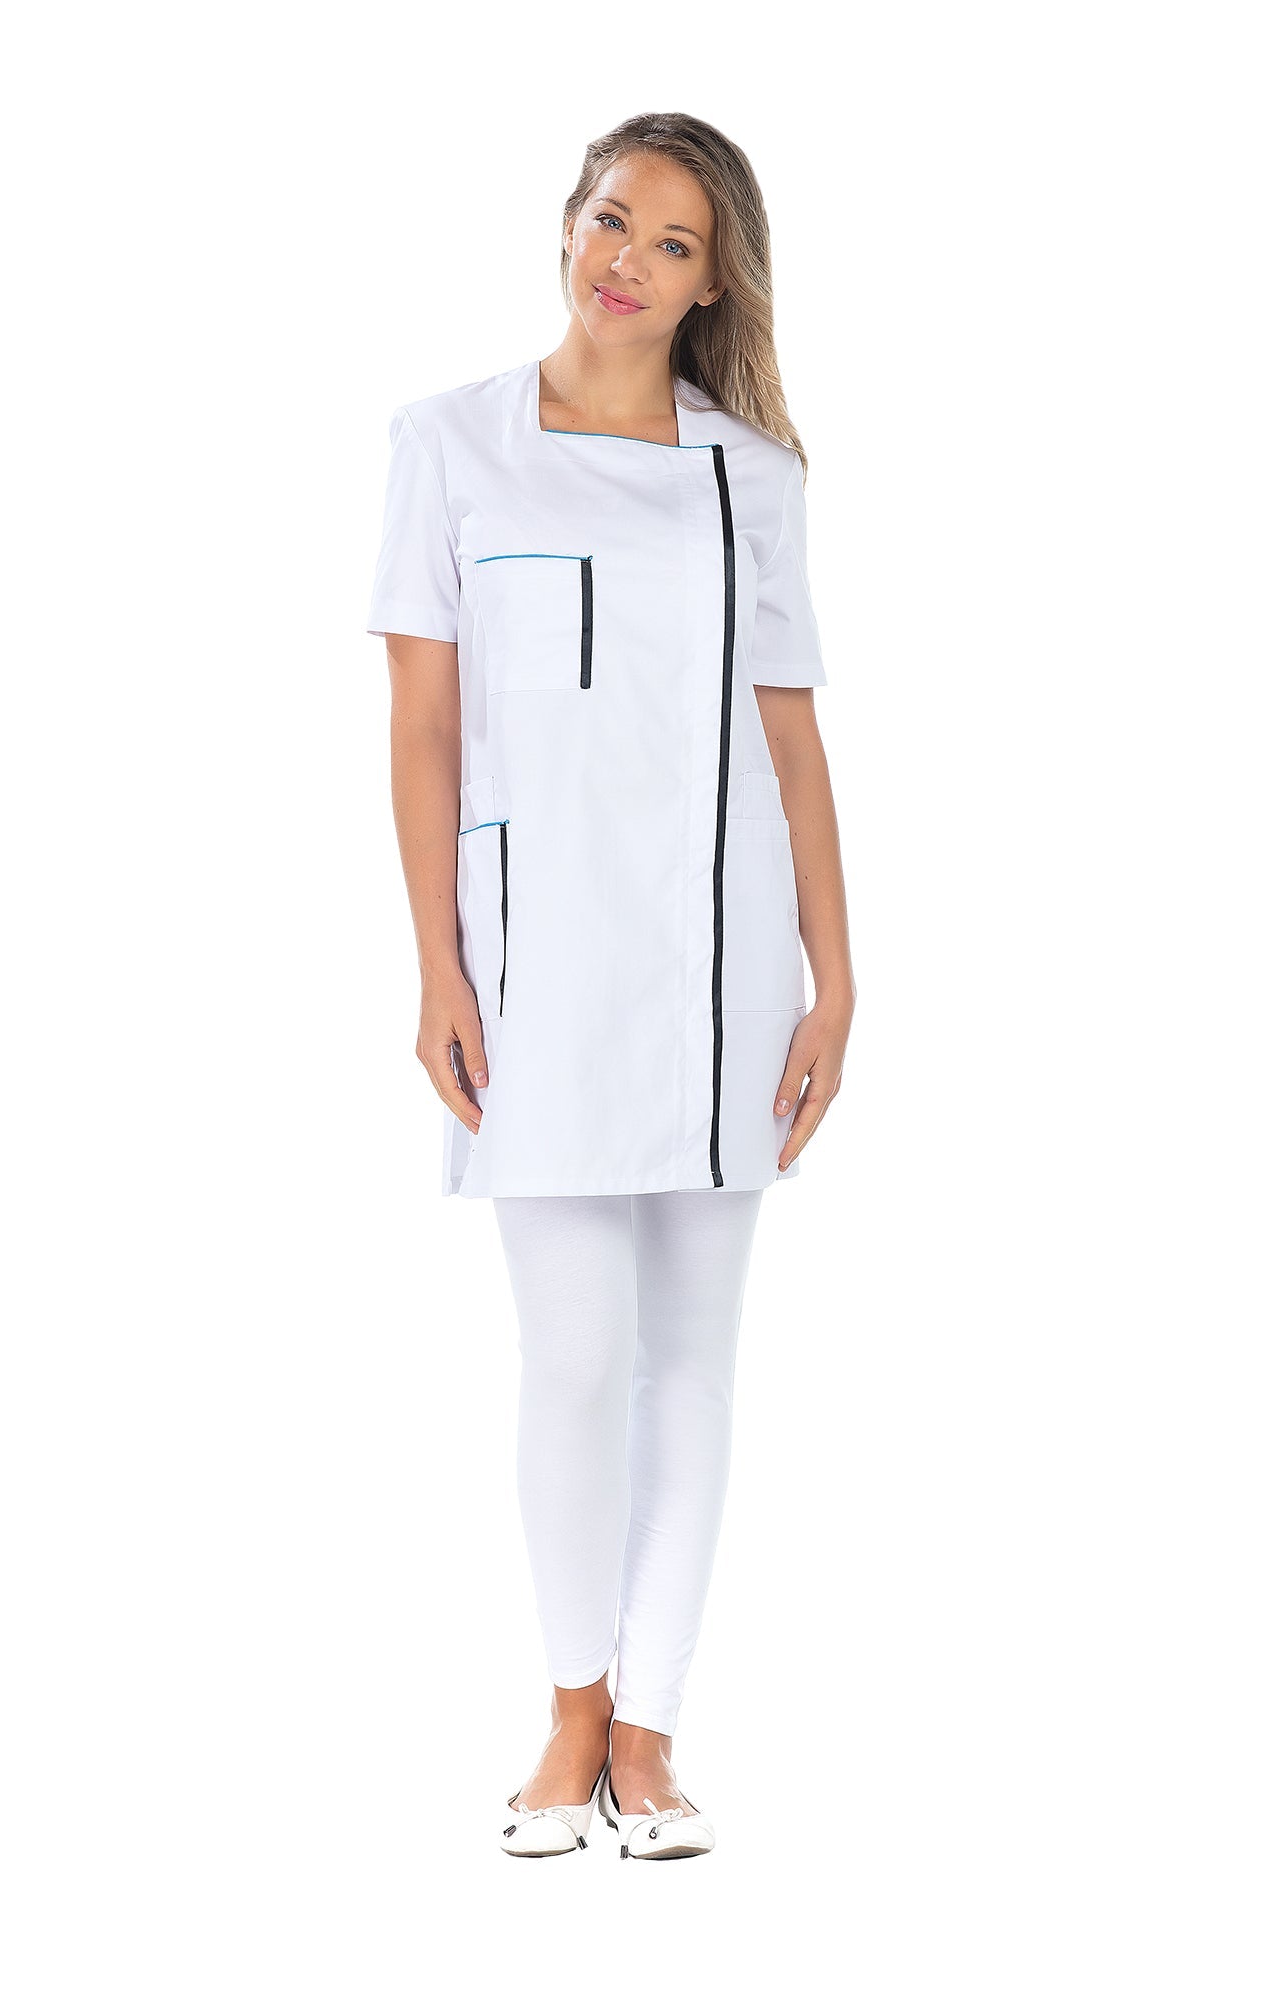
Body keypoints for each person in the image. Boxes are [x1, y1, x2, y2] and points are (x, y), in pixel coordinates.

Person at [365, 112, 855, 1860]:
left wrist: (836, 975)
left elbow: (791, 738)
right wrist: (437, 960)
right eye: (607, 217)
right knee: (574, 1356)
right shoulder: (449, 444)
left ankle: (650, 1736)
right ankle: (569, 1708)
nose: (623, 259)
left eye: (669, 241)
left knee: (694, 1364)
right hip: (535, 963)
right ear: (566, 224)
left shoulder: (753, 478)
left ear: (714, 282)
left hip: (723, 961)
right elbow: (425, 724)